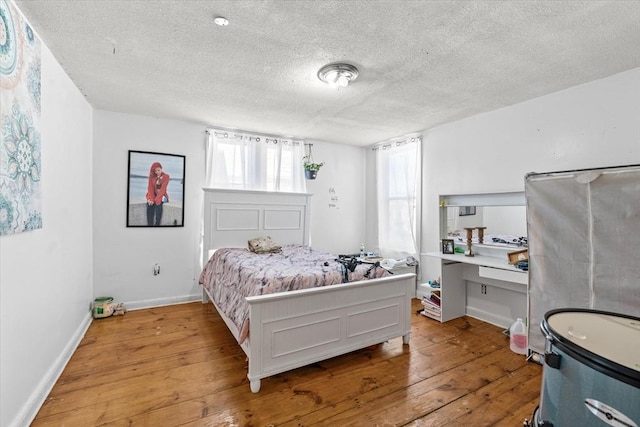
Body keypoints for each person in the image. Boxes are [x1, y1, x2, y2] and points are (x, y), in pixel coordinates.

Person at [146, 162, 170, 226]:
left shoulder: (166, 176)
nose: (157, 172)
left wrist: (157, 199)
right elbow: (150, 188)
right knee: (149, 204)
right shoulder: (152, 177)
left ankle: (157, 224)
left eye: (158, 170)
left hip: (162, 195)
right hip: (153, 194)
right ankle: (150, 224)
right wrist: (151, 199)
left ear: (161, 169)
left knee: (158, 204)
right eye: (155, 170)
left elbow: (163, 189)